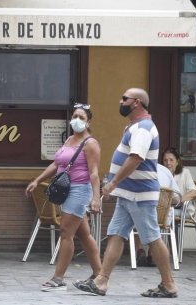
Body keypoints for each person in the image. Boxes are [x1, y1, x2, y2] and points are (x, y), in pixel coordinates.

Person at [74, 88, 178, 298]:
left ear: (136, 102)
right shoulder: (137, 126)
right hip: (129, 194)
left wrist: (112, 184)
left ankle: (169, 284)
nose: (120, 101)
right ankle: (101, 281)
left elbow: (135, 158)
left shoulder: (143, 127)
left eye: (124, 99)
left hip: (138, 195)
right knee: (116, 234)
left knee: (152, 238)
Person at [25, 103, 102, 292]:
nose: (77, 120)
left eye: (81, 118)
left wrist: (96, 197)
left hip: (79, 190)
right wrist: (37, 180)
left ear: (88, 121)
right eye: (75, 116)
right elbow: (56, 164)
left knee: (66, 233)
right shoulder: (69, 139)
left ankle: (58, 279)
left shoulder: (90, 144)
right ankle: (99, 275)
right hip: (67, 191)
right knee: (84, 234)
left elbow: (94, 173)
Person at [134, 163, 180, 267]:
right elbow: (177, 199)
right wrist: (163, 201)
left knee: (134, 210)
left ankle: (140, 249)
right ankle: (152, 254)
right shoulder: (166, 171)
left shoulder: (135, 167)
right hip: (162, 218)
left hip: (141, 215)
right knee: (157, 217)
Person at [162, 147, 196, 221]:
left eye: (171, 160)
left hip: (184, 210)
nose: (168, 163)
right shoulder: (161, 174)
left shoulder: (185, 173)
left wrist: (179, 200)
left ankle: (168, 233)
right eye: (165, 160)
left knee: (165, 214)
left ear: (177, 162)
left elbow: (193, 193)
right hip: (165, 209)